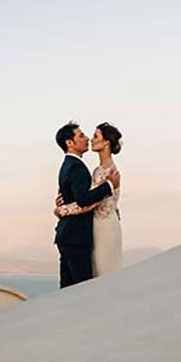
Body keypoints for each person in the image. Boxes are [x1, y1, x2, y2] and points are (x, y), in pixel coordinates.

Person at [53, 121, 119, 288]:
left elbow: (87, 201)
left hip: (99, 229)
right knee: (82, 287)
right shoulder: (80, 168)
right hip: (78, 235)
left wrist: (62, 209)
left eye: (94, 136)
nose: (88, 139)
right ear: (70, 143)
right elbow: (84, 200)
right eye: (82, 135)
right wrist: (109, 187)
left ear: (106, 143)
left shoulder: (108, 171)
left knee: (83, 284)